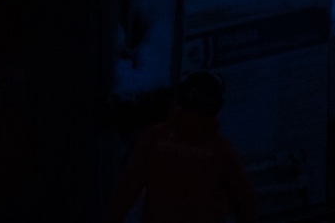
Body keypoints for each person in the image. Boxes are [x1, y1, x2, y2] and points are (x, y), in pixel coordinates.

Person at [106, 72, 255, 223]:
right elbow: (245, 203)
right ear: (217, 106)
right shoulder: (221, 151)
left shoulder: (155, 138)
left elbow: (127, 188)